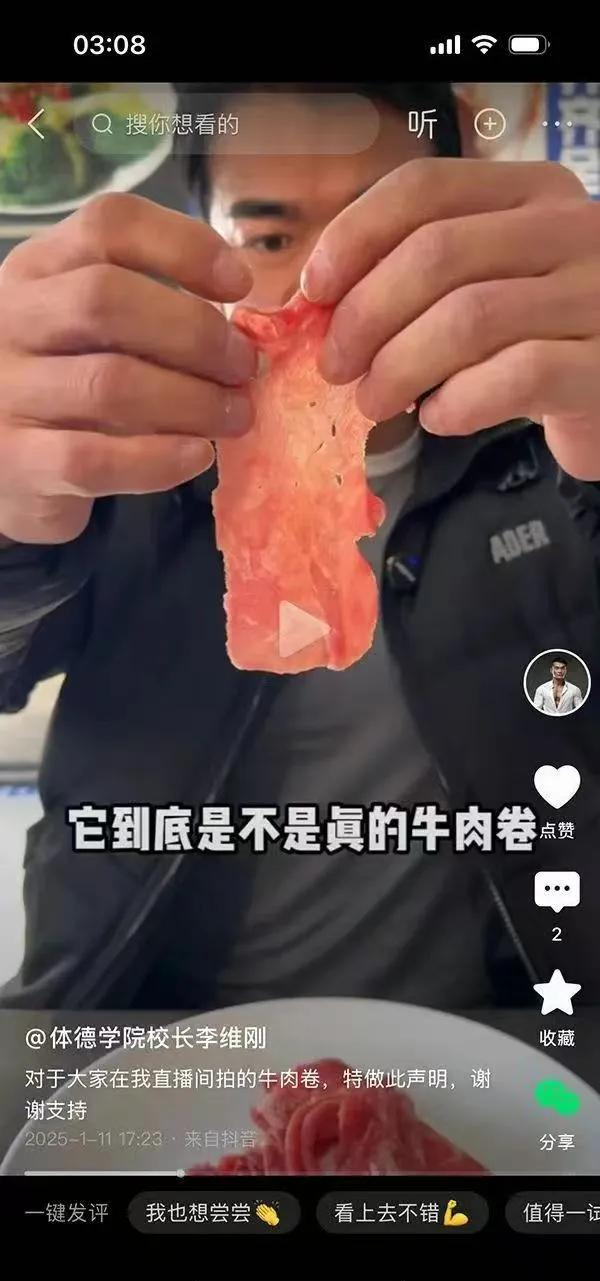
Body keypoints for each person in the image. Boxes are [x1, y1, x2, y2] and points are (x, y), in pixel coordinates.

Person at [1, 80, 600, 1012]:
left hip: (488, 1038)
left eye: (381, 241)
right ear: (205, 252)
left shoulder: (553, 438)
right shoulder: (119, 452)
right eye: (271, 240)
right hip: (136, 1026)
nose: (327, 289)